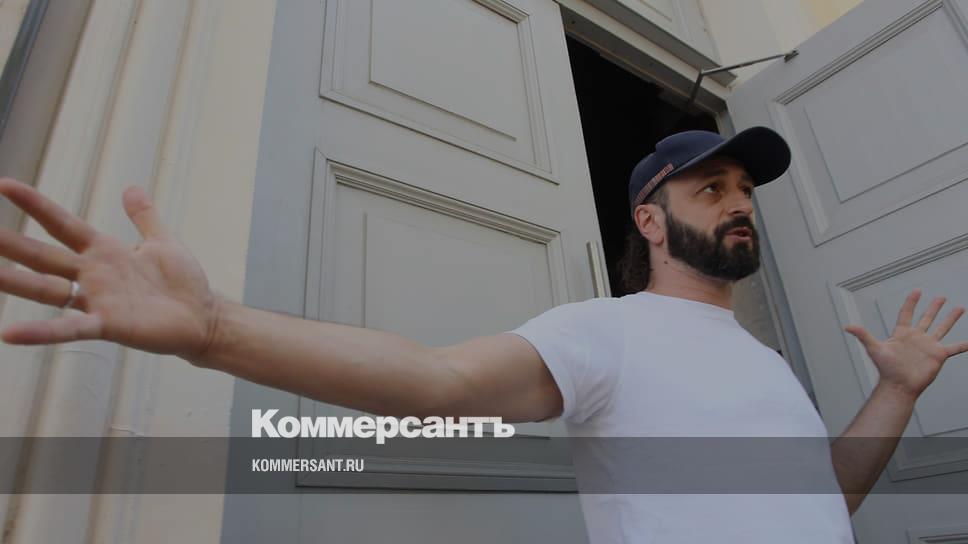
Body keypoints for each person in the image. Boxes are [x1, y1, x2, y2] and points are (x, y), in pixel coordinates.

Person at [0, 127, 964, 543]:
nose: (739, 204)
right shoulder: (606, 332)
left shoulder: (766, 364)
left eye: (746, 191)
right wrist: (214, 328)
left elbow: (825, 501)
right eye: (711, 188)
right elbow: (439, 382)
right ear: (650, 219)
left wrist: (895, 393)